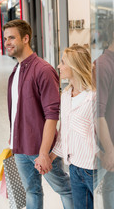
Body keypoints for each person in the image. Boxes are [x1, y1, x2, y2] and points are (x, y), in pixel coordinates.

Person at [3, 19, 73, 209]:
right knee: (31, 192)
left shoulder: (43, 70)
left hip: (41, 148)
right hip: (20, 147)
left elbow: (52, 115)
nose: (7, 42)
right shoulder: (16, 70)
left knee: (65, 188)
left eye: (11, 38)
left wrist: (43, 154)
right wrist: (13, 142)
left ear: (26, 38)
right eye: (5, 38)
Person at [35, 45, 98, 209]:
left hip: (96, 170)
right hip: (74, 168)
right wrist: (49, 158)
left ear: (75, 66)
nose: (58, 66)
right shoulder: (65, 96)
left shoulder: (95, 97)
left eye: (63, 62)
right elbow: (64, 135)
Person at [95, 21, 114, 208]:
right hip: (108, 144)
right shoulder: (103, 65)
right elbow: (97, 114)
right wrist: (109, 150)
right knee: (108, 187)